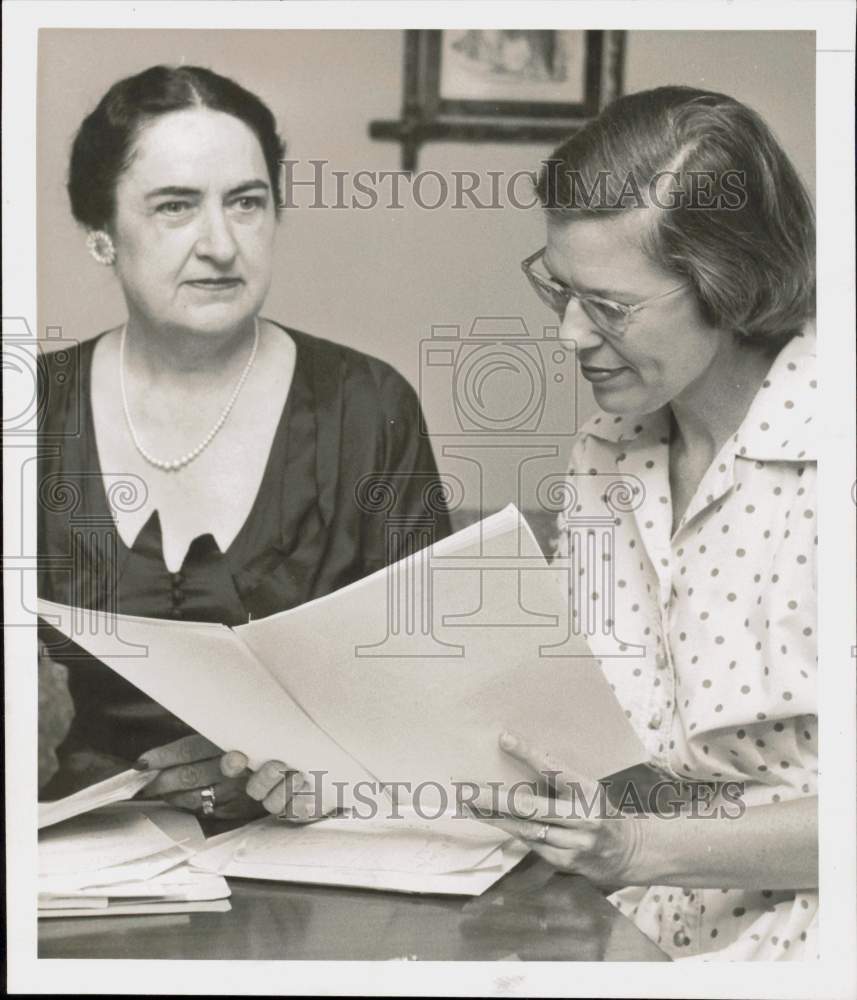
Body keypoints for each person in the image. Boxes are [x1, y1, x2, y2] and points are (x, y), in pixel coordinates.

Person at [453, 86, 817, 960]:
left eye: (609, 306)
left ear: (728, 289)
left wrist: (640, 848)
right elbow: (609, 746)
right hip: (631, 922)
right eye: (558, 290)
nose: (571, 334)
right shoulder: (604, 451)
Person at [37, 64, 449, 819]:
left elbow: (433, 690)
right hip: (84, 853)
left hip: (325, 846)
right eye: (175, 207)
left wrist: (321, 769)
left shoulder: (367, 407)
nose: (221, 244)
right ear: (101, 236)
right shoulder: (28, 413)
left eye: (247, 204)